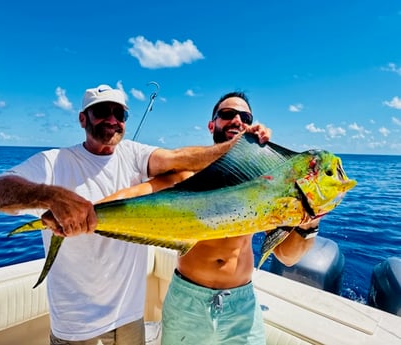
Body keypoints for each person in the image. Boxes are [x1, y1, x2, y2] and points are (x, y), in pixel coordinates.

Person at [0, 84, 244, 345]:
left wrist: (243, 146)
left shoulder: (133, 154)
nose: (112, 120)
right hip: (76, 325)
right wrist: (50, 196)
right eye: (103, 111)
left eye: (120, 114)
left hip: (129, 318)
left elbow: (180, 159)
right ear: (83, 119)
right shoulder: (54, 162)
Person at [104, 91, 319, 345]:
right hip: (188, 305)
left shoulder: (266, 184)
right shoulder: (188, 177)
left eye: (244, 117)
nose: (236, 120)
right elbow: (137, 196)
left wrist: (310, 222)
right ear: (212, 125)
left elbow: (287, 256)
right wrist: (83, 211)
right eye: (227, 115)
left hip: (242, 308)